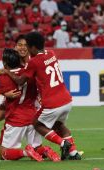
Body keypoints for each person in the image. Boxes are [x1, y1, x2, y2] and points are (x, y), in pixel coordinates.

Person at [5, 32, 81, 160]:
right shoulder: (51, 53)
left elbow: (20, 81)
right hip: (67, 100)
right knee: (59, 126)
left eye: (28, 47)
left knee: (37, 124)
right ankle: (74, 153)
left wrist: (7, 71)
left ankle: (63, 143)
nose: (27, 50)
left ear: (33, 47)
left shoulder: (34, 62)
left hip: (52, 103)